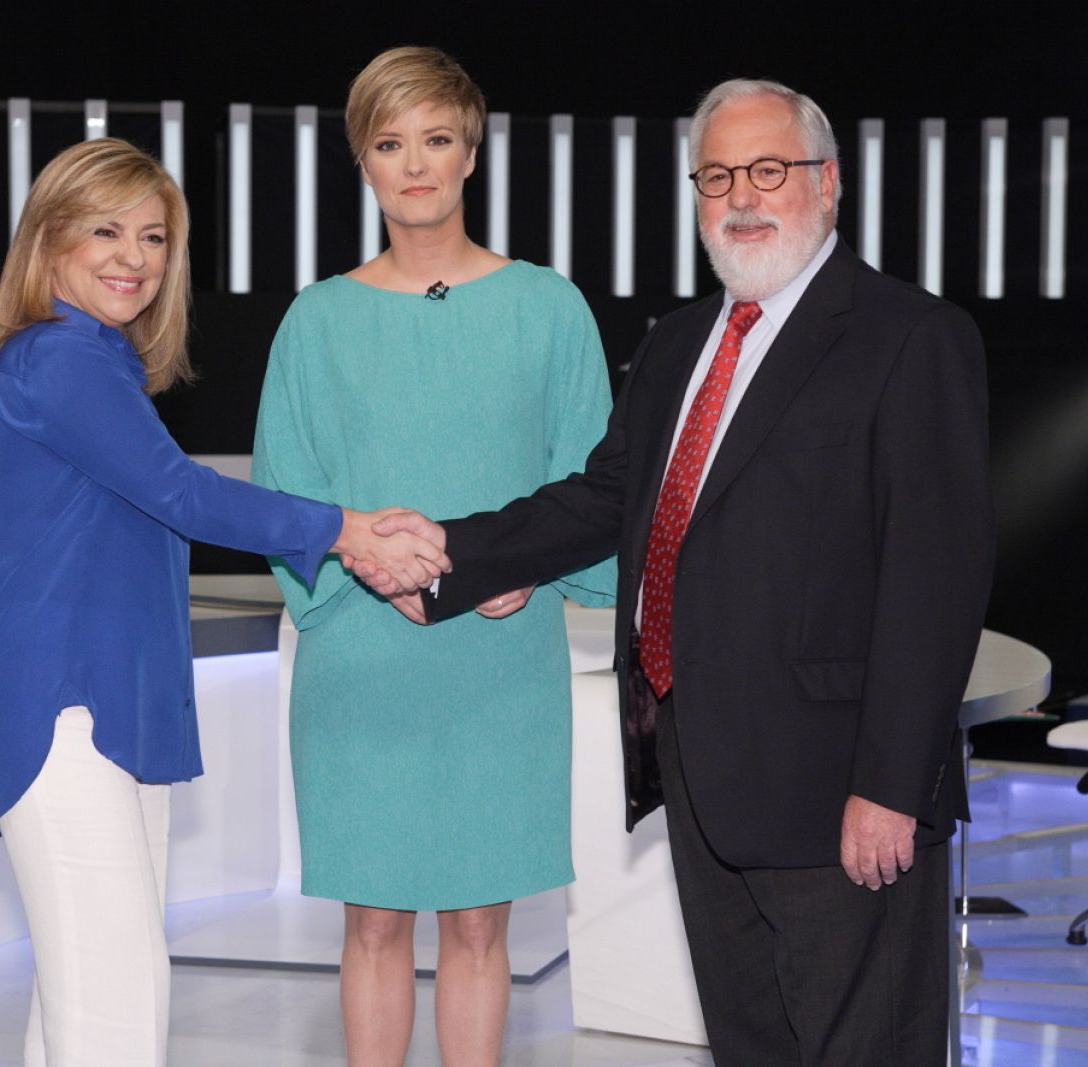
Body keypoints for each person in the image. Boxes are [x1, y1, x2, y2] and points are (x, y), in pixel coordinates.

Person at [378, 78, 995, 1066]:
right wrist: (444, 556)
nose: (740, 196)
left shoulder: (908, 337)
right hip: (701, 775)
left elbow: (937, 579)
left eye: (767, 170)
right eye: (716, 175)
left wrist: (889, 783)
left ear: (827, 184)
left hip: (839, 794)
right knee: (750, 1045)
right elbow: (601, 499)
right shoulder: (676, 345)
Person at [0, 137, 447, 1067]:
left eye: (153, 237)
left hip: (99, 713)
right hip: (66, 712)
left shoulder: (88, 362)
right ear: (49, 240)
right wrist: (343, 527)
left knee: (88, 1001)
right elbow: (182, 493)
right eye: (106, 230)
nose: (134, 258)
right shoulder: (60, 361)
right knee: (113, 1009)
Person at [250, 47, 615, 1067]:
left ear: (471, 149)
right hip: (362, 658)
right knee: (368, 922)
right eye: (390, 142)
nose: (415, 164)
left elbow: (592, 484)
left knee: (478, 924)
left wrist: (528, 566)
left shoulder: (549, 308)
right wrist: (370, 566)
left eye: (436, 139)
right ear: (362, 161)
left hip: (500, 661)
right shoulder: (315, 321)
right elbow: (288, 490)